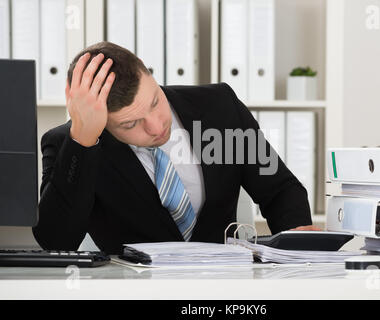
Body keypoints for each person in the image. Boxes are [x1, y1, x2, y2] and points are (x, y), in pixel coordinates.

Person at [32, 41, 318, 254]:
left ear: (149, 74)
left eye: (155, 102)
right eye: (131, 125)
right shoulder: (69, 145)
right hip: (134, 291)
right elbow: (56, 241)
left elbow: (280, 189)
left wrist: (297, 243)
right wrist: (83, 140)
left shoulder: (219, 106)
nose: (157, 127)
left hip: (224, 287)